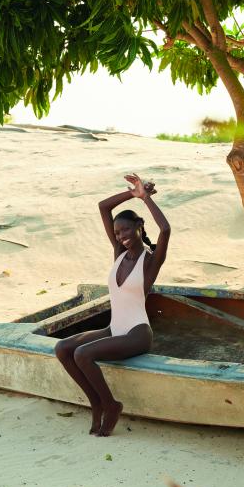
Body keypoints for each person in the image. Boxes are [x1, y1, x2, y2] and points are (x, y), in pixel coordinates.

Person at [54, 173, 171, 436]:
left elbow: (165, 230)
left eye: (126, 230)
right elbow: (104, 207)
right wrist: (133, 193)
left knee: (83, 354)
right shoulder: (119, 255)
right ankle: (96, 402)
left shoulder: (150, 262)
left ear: (139, 226)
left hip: (137, 333)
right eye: (117, 233)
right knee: (63, 348)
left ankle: (110, 404)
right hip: (114, 329)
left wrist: (146, 200)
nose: (121, 236)